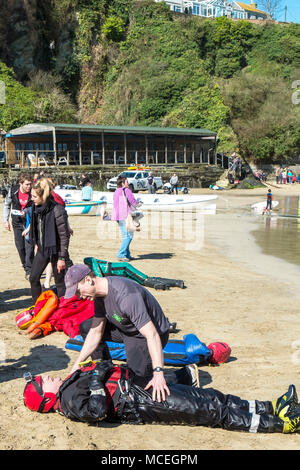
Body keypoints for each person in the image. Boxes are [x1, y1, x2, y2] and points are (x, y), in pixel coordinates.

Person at [23, 360, 300, 434]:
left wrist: (100, 370)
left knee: (211, 396)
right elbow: (97, 411)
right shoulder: (68, 401)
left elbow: (103, 366)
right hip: (142, 402)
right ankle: (281, 424)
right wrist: (96, 379)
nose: (47, 377)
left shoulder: (69, 385)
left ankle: (270, 406)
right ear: (46, 397)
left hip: (143, 386)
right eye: (42, 382)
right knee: (211, 411)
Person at [63, 264, 171, 402]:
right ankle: (104, 370)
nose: (79, 297)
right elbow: (96, 331)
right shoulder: (98, 295)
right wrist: (76, 365)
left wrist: (159, 373)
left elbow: (152, 335)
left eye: (78, 291)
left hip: (145, 336)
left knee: (136, 384)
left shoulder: (126, 296)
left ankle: (183, 376)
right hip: (126, 328)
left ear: (89, 280)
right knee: (86, 327)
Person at [29, 178, 71, 303]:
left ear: (43, 196)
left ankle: (63, 309)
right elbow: (37, 229)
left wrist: (62, 258)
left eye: (34, 196)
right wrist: (37, 244)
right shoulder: (36, 209)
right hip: (43, 249)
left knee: (59, 282)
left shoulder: (57, 210)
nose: (32, 198)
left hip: (56, 251)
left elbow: (64, 236)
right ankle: (38, 306)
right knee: (33, 278)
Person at [3, 173, 34, 279]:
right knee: (20, 247)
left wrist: (28, 212)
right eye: (27, 185)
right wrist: (5, 220)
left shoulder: (33, 192)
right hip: (16, 223)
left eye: (30, 184)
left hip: (29, 223)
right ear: (21, 184)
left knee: (29, 247)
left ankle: (29, 270)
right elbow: (7, 205)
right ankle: (26, 266)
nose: (29, 187)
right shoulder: (13, 191)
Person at [111, 176, 141, 262]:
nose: (128, 183)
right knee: (128, 236)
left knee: (127, 235)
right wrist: (139, 204)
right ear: (123, 183)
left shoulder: (116, 191)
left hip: (117, 215)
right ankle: (121, 254)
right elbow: (133, 202)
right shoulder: (126, 190)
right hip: (124, 216)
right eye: (127, 182)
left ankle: (126, 254)